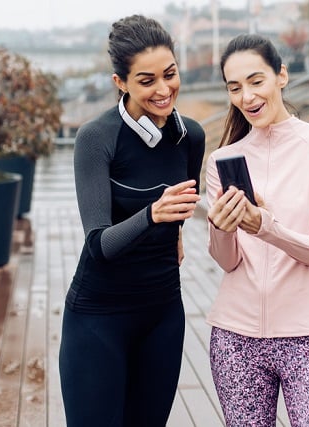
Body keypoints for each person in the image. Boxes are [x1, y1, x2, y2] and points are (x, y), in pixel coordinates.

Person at [59, 14, 205, 426]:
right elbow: (98, 245)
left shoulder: (190, 136)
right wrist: (152, 215)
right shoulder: (96, 138)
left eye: (170, 74)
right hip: (98, 318)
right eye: (146, 81)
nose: (163, 90)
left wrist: (174, 232)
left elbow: (182, 208)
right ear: (120, 82)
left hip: (162, 314)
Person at [204, 33, 309, 426]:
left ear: (281, 76)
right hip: (236, 339)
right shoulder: (223, 160)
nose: (247, 97)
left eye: (256, 81)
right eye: (234, 88)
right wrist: (221, 228)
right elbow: (227, 261)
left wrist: (264, 226)